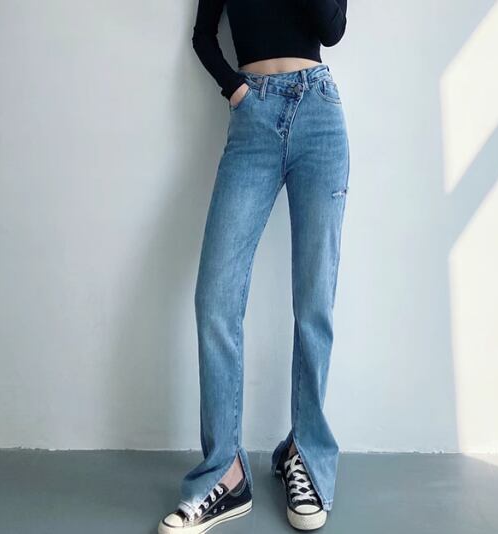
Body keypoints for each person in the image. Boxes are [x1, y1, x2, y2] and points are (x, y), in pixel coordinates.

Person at [158, 0, 349, 532]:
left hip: (319, 114)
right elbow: (203, 36)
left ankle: (305, 456)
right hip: (253, 120)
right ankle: (225, 473)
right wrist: (235, 89)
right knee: (214, 299)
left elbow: (332, 29)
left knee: (314, 302)